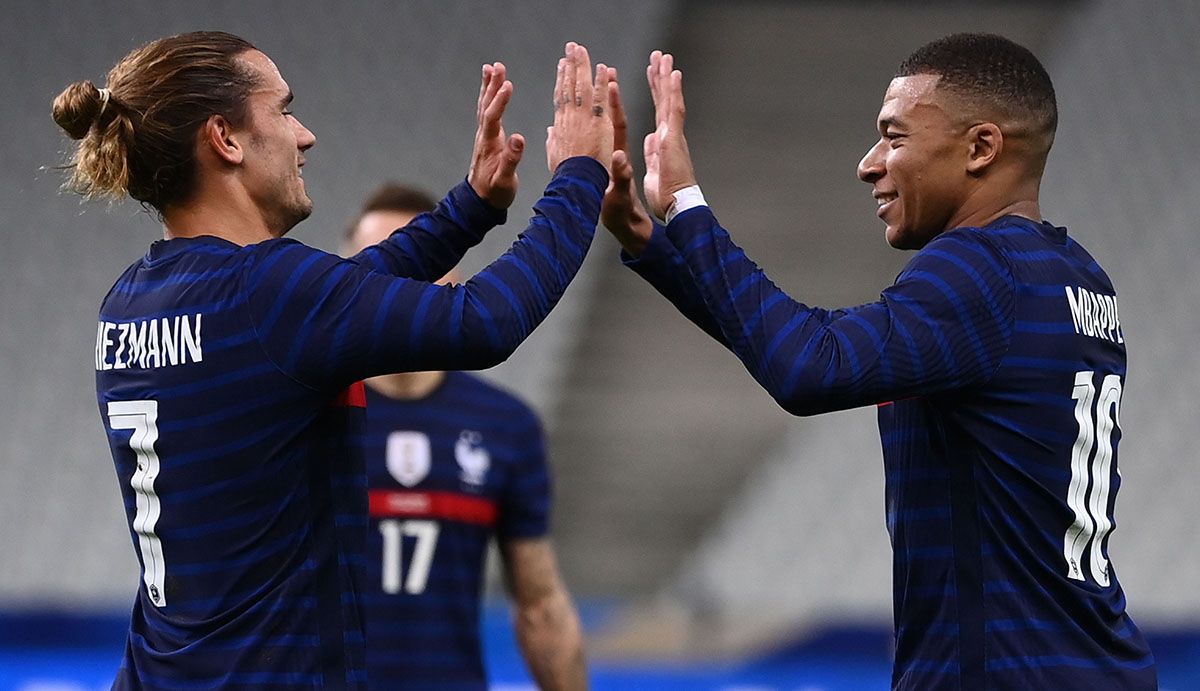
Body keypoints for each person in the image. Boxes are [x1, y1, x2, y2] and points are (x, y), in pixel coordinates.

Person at [54, 31, 613, 689]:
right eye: (283, 111)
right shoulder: (267, 291)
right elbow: (486, 321)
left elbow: (333, 306)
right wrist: (579, 176)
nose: (305, 135)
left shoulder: (130, 301)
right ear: (226, 140)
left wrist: (472, 209)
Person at [601, 34, 1156, 689]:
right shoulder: (1077, 275)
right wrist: (648, 239)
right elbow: (799, 346)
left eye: (894, 137)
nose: (869, 164)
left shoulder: (979, 269)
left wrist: (684, 204)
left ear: (980, 147)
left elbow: (808, 367)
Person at [343, 183, 587, 690]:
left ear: (452, 276)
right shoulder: (299, 414)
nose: (399, 284)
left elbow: (540, 604)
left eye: (419, 262)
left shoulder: (504, 424)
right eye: (382, 263)